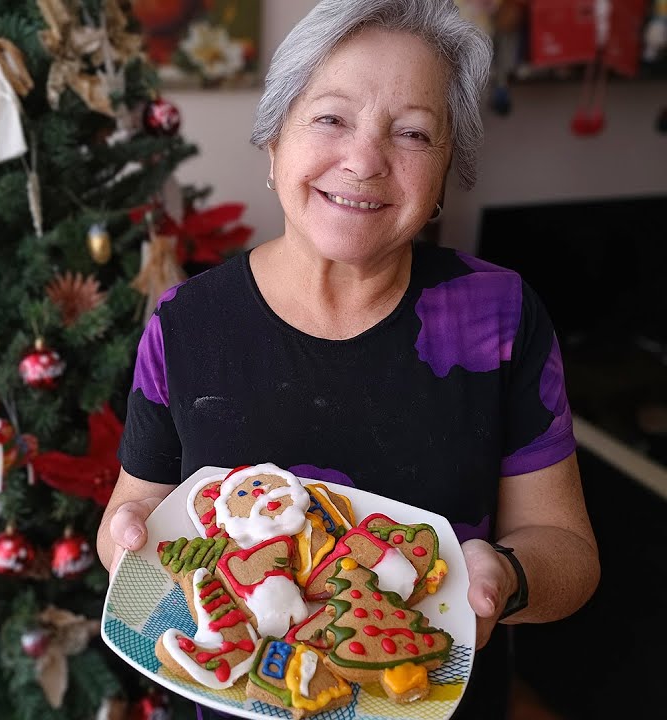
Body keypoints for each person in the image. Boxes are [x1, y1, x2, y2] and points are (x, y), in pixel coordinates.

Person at [97, 1, 599, 718]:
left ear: (444, 170)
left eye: (414, 132)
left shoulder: (501, 315)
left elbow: (569, 553)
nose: (365, 160)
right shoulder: (187, 326)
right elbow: (134, 514)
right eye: (331, 118)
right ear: (273, 140)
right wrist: (132, 548)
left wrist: (501, 581)